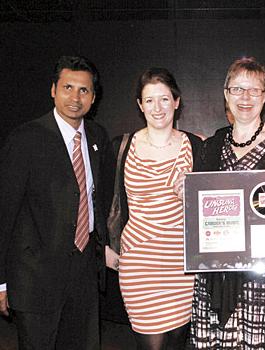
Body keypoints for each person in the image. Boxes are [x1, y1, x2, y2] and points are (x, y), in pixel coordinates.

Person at [189, 57, 265, 349]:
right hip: (217, 276)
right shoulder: (212, 146)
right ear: (226, 95)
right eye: (237, 89)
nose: (245, 97)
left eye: (254, 90)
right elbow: (199, 209)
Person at [0, 56, 111, 349]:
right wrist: (0, 282)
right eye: (68, 87)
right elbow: (4, 213)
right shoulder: (25, 139)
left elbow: (100, 201)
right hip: (35, 279)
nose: (75, 97)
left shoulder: (98, 137)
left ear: (93, 97)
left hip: (84, 276)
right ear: (53, 90)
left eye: (84, 90)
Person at [105, 67, 203, 349]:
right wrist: (105, 248)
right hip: (139, 262)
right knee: (150, 343)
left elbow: (212, 205)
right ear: (140, 105)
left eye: (164, 99)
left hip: (181, 263)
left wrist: (192, 194)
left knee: (175, 342)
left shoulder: (195, 146)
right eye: (149, 100)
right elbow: (102, 201)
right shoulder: (122, 147)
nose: (157, 107)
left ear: (176, 101)